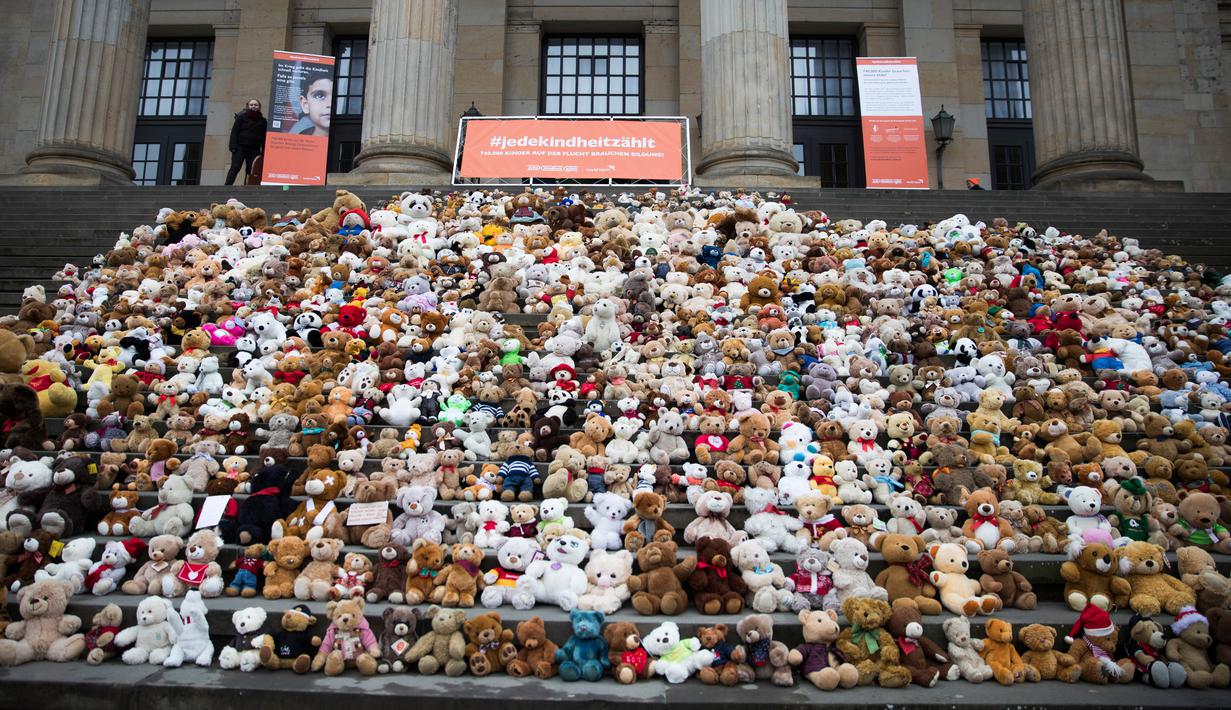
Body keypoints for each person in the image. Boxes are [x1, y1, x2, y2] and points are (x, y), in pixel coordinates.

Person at [226, 98, 266, 185]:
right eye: (251, 105)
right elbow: (234, 132)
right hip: (240, 147)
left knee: (251, 170)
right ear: (248, 106)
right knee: (235, 167)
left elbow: (264, 137)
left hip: (254, 149)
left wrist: (264, 152)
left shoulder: (263, 121)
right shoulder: (241, 118)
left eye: (255, 105)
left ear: (259, 107)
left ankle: (247, 187)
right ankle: (227, 186)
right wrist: (232, 146)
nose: (253, 106)